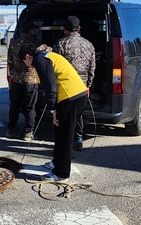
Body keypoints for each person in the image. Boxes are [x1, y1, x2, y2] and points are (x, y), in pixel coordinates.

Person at [18, 45, 88, 182]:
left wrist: (53, 110)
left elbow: (50, 86)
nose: (26, 65)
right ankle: (57, 162)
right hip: (77, 95)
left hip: (70, 98)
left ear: (27, 56)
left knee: (64, 135)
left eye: (24, 62)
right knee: (60, 131)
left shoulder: (40, 60)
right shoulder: (45, 55)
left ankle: (61, 174)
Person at [53, 16, 95, 151]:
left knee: (65, 115)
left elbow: (54, 66)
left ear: (64, 30)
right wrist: (88, 84)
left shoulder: (60, 44)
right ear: (79, 29)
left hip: (66, 84)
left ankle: (66, 143)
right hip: (82, 85)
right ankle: (78, 138)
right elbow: (92, 67)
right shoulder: (89, 44)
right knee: (79, 113)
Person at [6, 20, 39, 141]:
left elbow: (9, 61)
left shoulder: (14, 43)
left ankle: (11, 129)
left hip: (17, 80)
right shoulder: (35, 44)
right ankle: (28, 132)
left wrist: (14, 74)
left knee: (14, 105)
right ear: (31, 30)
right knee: (30, 107)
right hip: (31, 80)